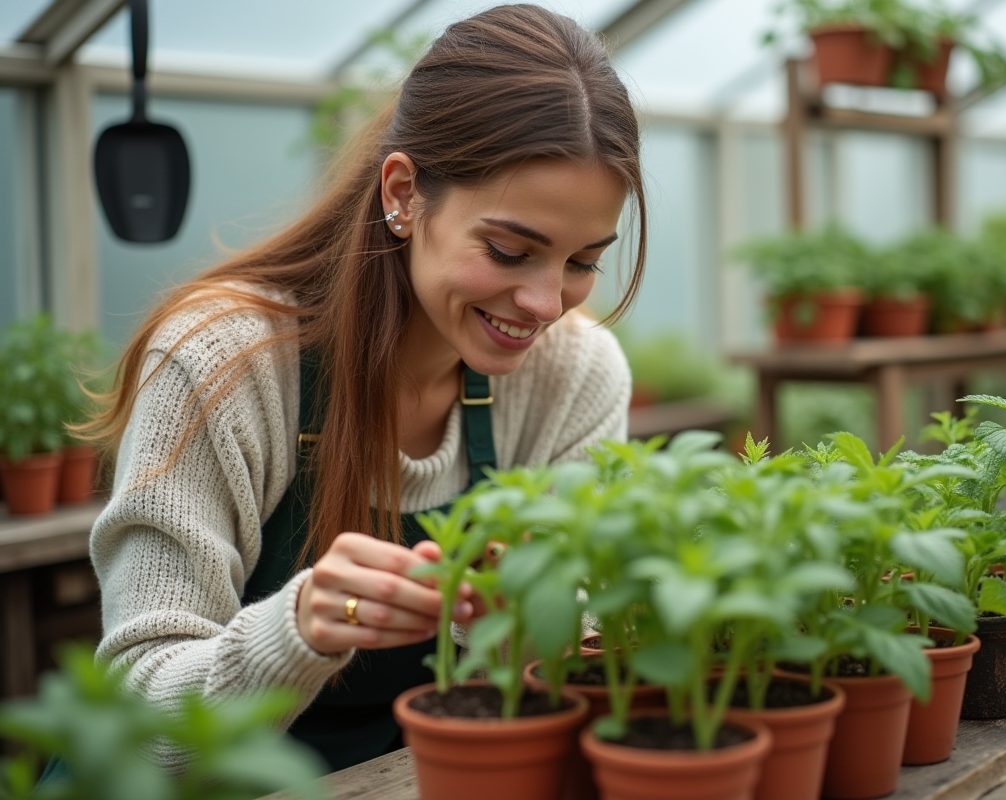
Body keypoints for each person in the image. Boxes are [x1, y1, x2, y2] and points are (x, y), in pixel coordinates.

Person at [78, 4, 646, 775]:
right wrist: (299, 630)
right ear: (405, 193)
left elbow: (536, 688)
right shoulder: (223, 363)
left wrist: (531, 626)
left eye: (582, 261)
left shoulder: (574, 375)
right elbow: (138, 724)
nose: (546, 304)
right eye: (511, 249)